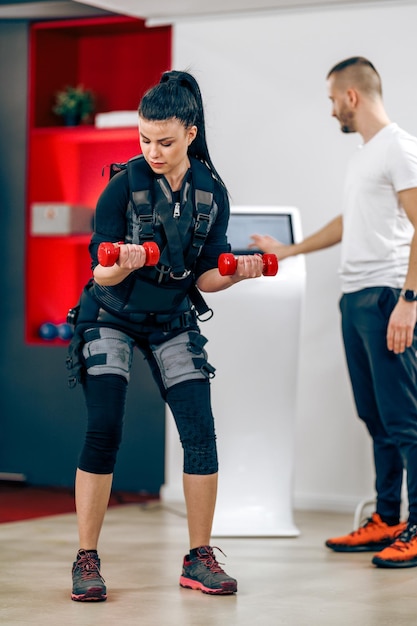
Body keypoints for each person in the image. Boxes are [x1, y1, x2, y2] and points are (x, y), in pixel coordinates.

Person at [67, 70, 265, 601]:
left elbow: (204, 275)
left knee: (199, 430)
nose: (153, 150)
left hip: (171, 318)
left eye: (165, 141)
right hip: (109, 312)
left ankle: (199, 557)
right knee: (105, 425)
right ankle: (86, 558)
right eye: (144, 139)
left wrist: (236, 272)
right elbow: (98, 273)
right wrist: (124, 262)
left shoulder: (211, 191)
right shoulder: (121, 187)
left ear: (190, 134)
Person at [251, 56, 417, 568]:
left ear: (351, 96)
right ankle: (388, 517)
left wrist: (410, 301)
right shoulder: (367, 155)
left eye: (330, 100)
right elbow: (352, 221)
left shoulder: (400, 148)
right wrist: (287, 249)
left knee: (406, 421)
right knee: (377, 419)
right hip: (356, 299)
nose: (330, 111)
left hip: (388, 297)